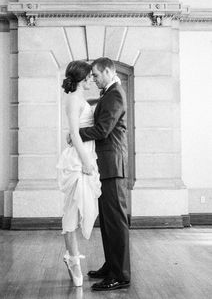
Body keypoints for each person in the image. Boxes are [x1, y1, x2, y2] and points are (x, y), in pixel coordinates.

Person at [79, 57, 131, 291]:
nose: (94, 80)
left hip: (112, 165)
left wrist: (75, 132)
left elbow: (102, 129)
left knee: (116, 222)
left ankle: (120, 275)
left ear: (109, 71)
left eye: (97, 75)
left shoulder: (115, 94)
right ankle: (111, 266)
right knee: (108, 221)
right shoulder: (109, 94)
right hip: (106, 166)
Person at [56, 61, 102, 287]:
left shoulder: (79, 98)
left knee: (81, 207)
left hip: (85, 155)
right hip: (78, 160)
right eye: (89, 77)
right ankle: (73, 260)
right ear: (82, 78)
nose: (92, 79)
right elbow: (74, 133)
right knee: (72, 210)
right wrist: (86, 163)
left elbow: (78, 126)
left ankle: (72, 258)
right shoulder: (73, 99)